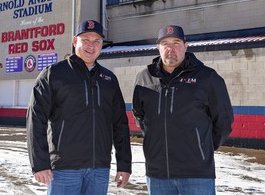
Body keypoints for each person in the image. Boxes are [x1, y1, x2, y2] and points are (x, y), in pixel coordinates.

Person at [27, 20, 132, 195]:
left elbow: (120, 124)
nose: (91, 46)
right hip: (64, 169)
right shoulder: (54, 74)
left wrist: (124, 164)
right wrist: (40, 164)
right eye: (86, 40)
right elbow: (36, 119)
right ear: (75, 41)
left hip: (99, 169)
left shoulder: (109, 79)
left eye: (96, 41)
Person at [132, 25, 234, 195]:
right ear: (158, 48)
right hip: (158, 174)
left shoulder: (207, 77)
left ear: (186, 46)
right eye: (165, 43)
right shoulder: (144, 78)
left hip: (197, 175)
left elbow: (224, 121)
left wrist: (202, 147)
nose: (170, 48)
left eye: (176, 43)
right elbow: (140, 116)